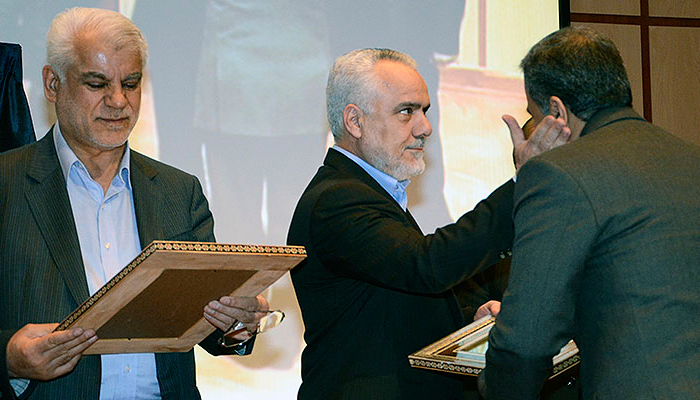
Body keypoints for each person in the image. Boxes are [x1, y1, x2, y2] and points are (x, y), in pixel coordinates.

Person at [0, 8, 268, 399]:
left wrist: (236, 322)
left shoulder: (179, 191)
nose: (118, 101)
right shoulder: (7, 184)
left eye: (131, 83)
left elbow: (207, 326)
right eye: (97, 83)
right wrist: (8, 358)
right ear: (52, 84)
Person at [286, 48, 570, 399]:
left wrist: (470, 322)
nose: (425, 128)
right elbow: (426, 266)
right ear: (354, 121)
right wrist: (524, 184)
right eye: (406, 111)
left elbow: (395, 304)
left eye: (424, 110)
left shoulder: (369, 191)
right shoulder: (338, 199)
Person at [481, 26, 700, 399]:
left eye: (535, 116)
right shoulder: (690, 157)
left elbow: (526, 344)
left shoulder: (557, 174)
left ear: (557, 111)